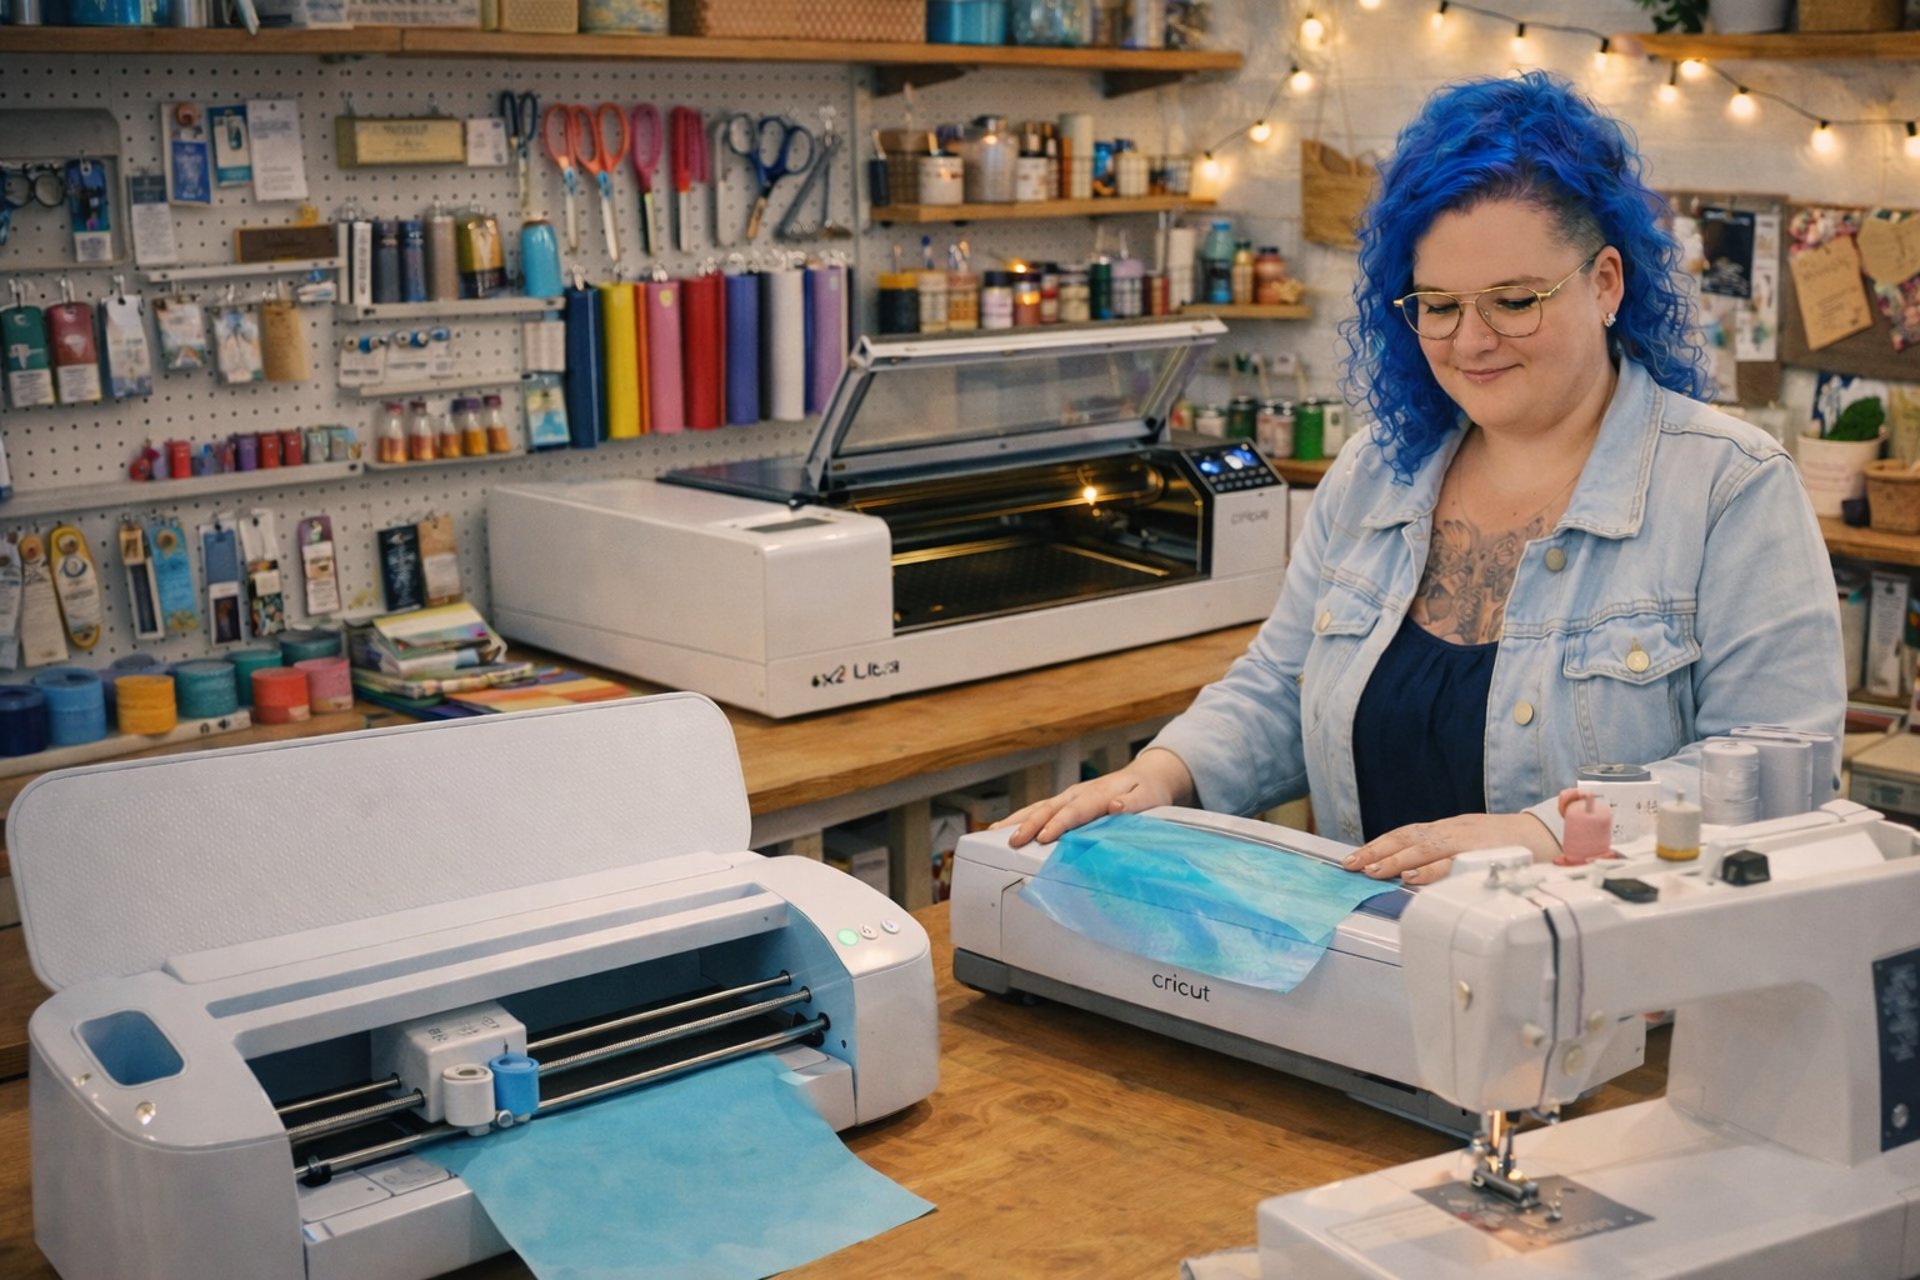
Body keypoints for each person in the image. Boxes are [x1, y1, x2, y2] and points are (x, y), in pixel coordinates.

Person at [998, 72, 1844, 884]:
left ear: (1606, 283)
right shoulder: (1376, 473)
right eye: (1438, 305)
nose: (1471, 341)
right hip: (1372, 980)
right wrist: (1166, 771)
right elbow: (1281, 688)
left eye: (1514, 301)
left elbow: (1778, 772)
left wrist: (1543, 834)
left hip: (1624, 1010)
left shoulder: (1730, 490)